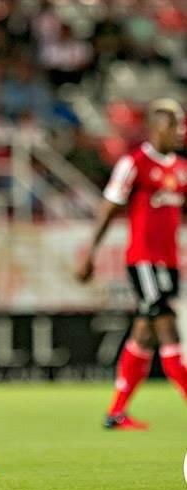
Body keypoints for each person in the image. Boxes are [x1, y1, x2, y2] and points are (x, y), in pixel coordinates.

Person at [76, 98, 187, 430]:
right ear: (154, 128)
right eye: (174, 125)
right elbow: (109, 208)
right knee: (166, 325)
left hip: (169, 262)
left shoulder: (181, 168)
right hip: (143, 261)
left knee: (144, 333)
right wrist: (90, 253)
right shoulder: (134, 163)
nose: (180, 131)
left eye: (182, 124)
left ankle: (116, 412)